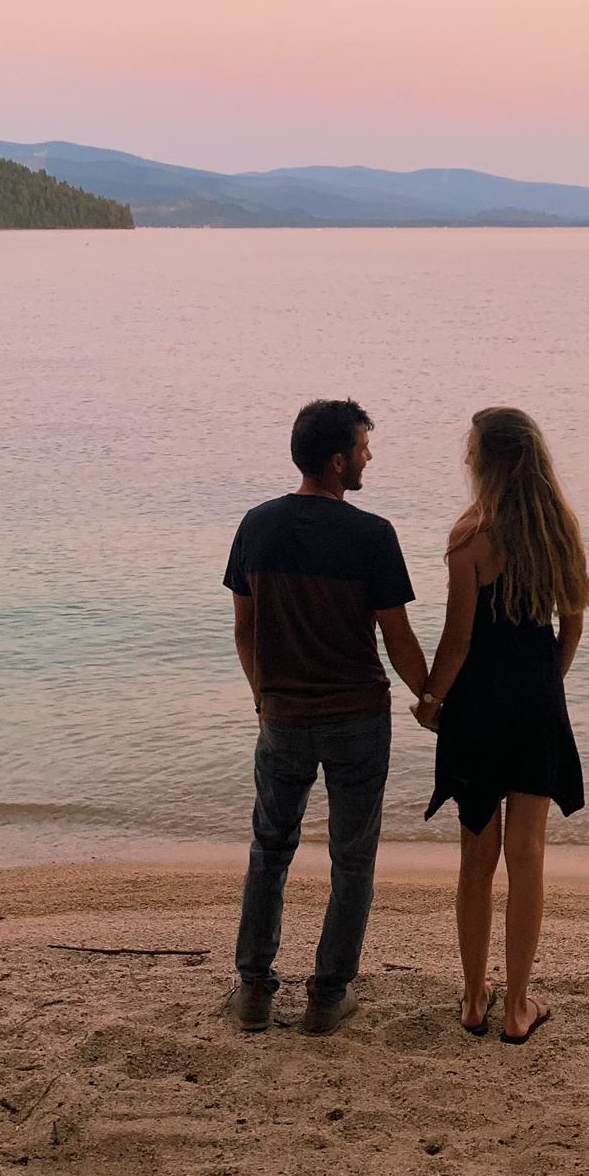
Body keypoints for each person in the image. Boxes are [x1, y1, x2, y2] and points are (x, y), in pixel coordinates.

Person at [224, 399, 428, 1036]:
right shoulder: (372, 535)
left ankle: (254, 990)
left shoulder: (257, 525)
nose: (370, 457)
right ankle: (327, 995)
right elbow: (397, 640)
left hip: (282, 717)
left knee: (270, 849)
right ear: (339, 461)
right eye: (364, 448)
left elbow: (245, 631)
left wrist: (264, 698)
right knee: (353, 859)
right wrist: (433, 699)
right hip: (357, 720)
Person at [415, 407, 589, 1044]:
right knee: (529, 855)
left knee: (475, 859)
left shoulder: (470, 535)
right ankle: (518, 1006)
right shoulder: (557, 530)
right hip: (535, 705)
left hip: (479, 709)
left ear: (483, 460)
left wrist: (432, 700)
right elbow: (572, 624)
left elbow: (457, 638)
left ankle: (471, 999)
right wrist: (549, 683)